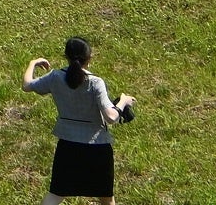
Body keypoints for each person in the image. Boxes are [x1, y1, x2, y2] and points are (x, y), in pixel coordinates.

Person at [25, 37, 136, 202]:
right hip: (97, 148)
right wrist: (124, 101)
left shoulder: (55, 77)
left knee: (56, 194)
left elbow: (27, 85)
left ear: (66, 56)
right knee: (106, 197)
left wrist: (33, 63)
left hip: (67, 145)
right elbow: (111, 117)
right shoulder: (95, 82)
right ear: (89, 58)